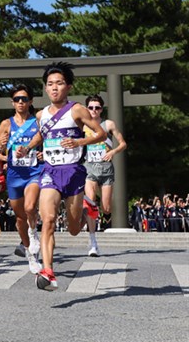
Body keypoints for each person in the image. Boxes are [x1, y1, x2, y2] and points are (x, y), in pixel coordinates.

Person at [16, 62, 107, 290]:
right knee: (47, 219)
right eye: (49, 84)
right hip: (50, 171)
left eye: (59, 83)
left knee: (74, 229)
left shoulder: (77, 110)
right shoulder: (41, 114)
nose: (54, 88)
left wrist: (79, 141)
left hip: (73, 172)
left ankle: (86, 209)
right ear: (45, 89)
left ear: (68, 86)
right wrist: (27, 148)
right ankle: (48, 271)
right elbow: (41, 135)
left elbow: (101, 133)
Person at [0, 84, 43, 274]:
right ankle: (30, 252)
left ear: (30, 102)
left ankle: (33, 232)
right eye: (17, 99)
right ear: (12, 102)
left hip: (33, 172)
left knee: (30, 207)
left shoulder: (37, 121)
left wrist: (43, 154)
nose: (20, 102)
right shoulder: (6, 123)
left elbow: (48, 143)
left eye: (24, 99)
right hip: (14, 175)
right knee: (20, 218)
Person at [83, 94, 127, 256]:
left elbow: (123, 143)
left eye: (97, 107)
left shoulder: (108, 124)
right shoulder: (82, 126)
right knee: (90, 204)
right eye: (91, 107)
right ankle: (93, 241)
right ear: (86, 109)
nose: (94, 110)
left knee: (106, 208)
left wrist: (113, 152)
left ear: (102, 109)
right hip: (89, 168)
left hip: (106, 169)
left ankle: (97, 218)